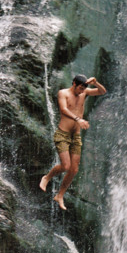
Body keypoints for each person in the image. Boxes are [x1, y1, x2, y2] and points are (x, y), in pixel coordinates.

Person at [39, 74, 107, 210]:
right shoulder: (63, 93)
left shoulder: (85, 92)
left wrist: (96, 82)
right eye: (80, 88)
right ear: (74, 84)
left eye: (84, 89)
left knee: (74, 169)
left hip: (75, 136)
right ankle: (46, 177)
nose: (82, 91)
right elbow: (63, 110)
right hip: (63, 134)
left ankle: (60, 195)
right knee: (65, 166)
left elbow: (102, 92)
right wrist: (78, 119)